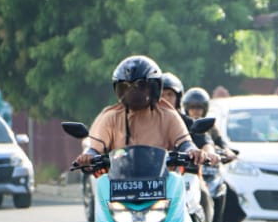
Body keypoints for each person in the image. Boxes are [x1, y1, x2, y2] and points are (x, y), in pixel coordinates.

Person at [76, 56, 205, 167]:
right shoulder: (110, 117)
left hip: (162, 186)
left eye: (141, 86)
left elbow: (184, 143)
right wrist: (88, 155)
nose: (133, 92)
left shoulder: (168, 115)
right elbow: (95, 148)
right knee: (102, 187)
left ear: (154, 87)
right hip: (119, 185)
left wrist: (192, 150)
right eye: (126, 87)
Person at [183, 87, 240, 222]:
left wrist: (223, 152)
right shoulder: (180, 123)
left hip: (206, 169)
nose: (195, 111)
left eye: (199, 107)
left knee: (228, 192)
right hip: (182, 170)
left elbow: (214, 142)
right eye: (192, 107)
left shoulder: (208, 126)